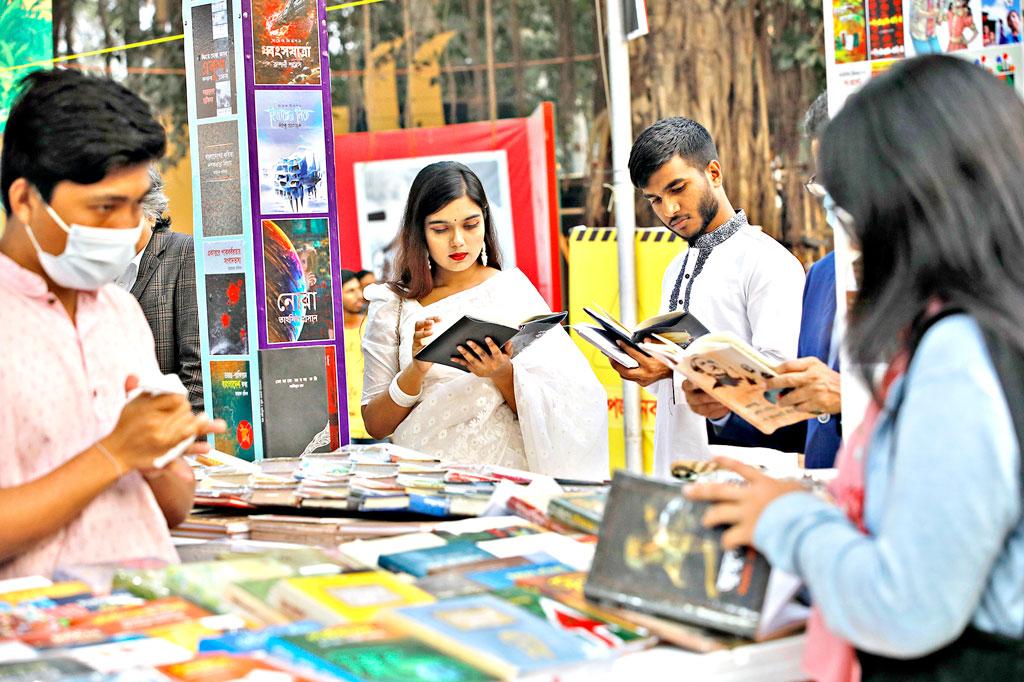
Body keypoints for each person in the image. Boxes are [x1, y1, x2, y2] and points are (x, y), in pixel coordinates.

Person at [687, 56, 1024, 679]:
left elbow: (907, 605)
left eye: (852, 207)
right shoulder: (994, 320)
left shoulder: (960, 350)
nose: (852, 232)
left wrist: (784, 516)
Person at [0, 69, 224, 578]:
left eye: (136, 206)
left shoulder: (120, 314)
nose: (126, 228)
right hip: (34, 632)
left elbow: (171, 511)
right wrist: (114, 454)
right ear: (25, 199)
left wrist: (162, 455)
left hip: (148, 608)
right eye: (104, 208)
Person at [360, 161, 607, 479]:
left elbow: (571, 404)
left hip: (505, 481)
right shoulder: (392, 305)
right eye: (440, 229)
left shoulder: (512, 290)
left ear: (486, 221)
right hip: (426, 481)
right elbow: (376, 425)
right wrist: (417, 369)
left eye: (470, 225)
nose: (458, 241)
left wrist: (503, 373)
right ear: (419, 231)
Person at [611, 117, 805, 476]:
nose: (668, 210)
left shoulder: (769, 262)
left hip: (746, 475)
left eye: (677, 188)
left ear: (713, 173)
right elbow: (672, 393)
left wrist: (676, 371)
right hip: (676, 464)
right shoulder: (675, 267)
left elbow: (780, 377)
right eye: (654, 199)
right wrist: (651, 368)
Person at [685, 92, 843, 468]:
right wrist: (724, 409)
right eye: (823, 181)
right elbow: (797, 424)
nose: (831, 198)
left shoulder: (941, 280)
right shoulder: (822, 279)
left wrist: (848, 399)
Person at [116, 167, 203, 413]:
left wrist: (177, 440)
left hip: (166, 434)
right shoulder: (95, 270)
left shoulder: (185, 253)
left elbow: (196, 370)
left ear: (150, 213)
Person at [340, 268, 375, 443]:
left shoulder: (373, 326)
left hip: (375, 423)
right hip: (344, 427)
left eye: (358, 289)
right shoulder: (330, 334)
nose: (359, 295)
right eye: (350, 291)